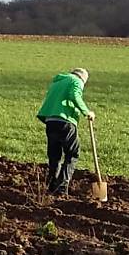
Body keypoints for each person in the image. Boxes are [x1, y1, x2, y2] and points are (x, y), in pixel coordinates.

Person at [36, 68, 94, 196]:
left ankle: (51, 185)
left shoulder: (57, 82)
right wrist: (86, 112)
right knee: (72, 153)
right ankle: (61, 188)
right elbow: (74, 95)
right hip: (65, 121)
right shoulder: (76, 81)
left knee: (54, 155)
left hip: (50, 121)